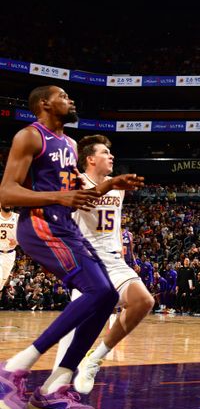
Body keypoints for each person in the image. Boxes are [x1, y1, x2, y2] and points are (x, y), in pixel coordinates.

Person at [0, 85, 142, 409]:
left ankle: (54, 387)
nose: (71, 100)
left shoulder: (70, 144)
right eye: (64, 96)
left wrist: (108, 185)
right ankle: (13, 370)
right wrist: (58, 198)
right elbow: (6, 193)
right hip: (39, 226)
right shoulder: (30, 137)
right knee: (97, 290)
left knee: (106, 296)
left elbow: (78, 196)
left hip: (64, 227)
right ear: (45, 104)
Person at [53, 135, 155, 395]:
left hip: (114, 260)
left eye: (111, 153)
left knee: (144, 301)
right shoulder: (77, 181)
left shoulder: (118, 187)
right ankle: (56, 388)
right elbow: (81, 198)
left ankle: (95, 358)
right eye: (105, 152)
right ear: (90, 159)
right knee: (73, 334)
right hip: (87, 263)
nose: (111, 157)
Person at [0, 202, 19, 288]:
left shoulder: (18, 218)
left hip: (10, 254)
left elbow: (27, 236)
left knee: (3, 280)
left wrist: (17, 242)